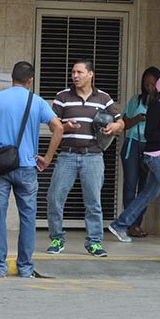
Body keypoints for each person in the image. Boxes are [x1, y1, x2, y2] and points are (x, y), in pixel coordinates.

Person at [0, 61, 64, 278]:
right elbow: (58, 128)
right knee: (28, 217)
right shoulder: (37, 102)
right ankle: (25, 267)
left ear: (11, 77)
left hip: (0, 168)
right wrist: (47, 157)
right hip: (27, 167)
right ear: (31, 80)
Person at [45, 59, 124, 257]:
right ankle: (57, 238)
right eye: (73, 72)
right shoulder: (62, 97)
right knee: (55, 197)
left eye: (80, 72)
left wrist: (115, 127)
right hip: (67, 155)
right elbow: (52, 125)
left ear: (90, 74)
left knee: (93, 202)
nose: (75, 76)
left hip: (93, 156)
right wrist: (65, 126)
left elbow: (120, 121)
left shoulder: (103, 98)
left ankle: (95, 242)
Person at [106, 73, 160, 247]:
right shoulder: (156, 108)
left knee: (148, 193)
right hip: (158, 155)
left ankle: (120, 224)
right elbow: (150, 134)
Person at [120, 66, 160, 238]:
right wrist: (138, 118)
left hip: (151, 147)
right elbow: (124, 123)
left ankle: (137, 224)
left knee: (145, 187)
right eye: (146, 84)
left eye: (152, 84)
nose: (149, 87)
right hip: (132, 143)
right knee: (130, 185)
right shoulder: (135, 101)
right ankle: (127, 224)